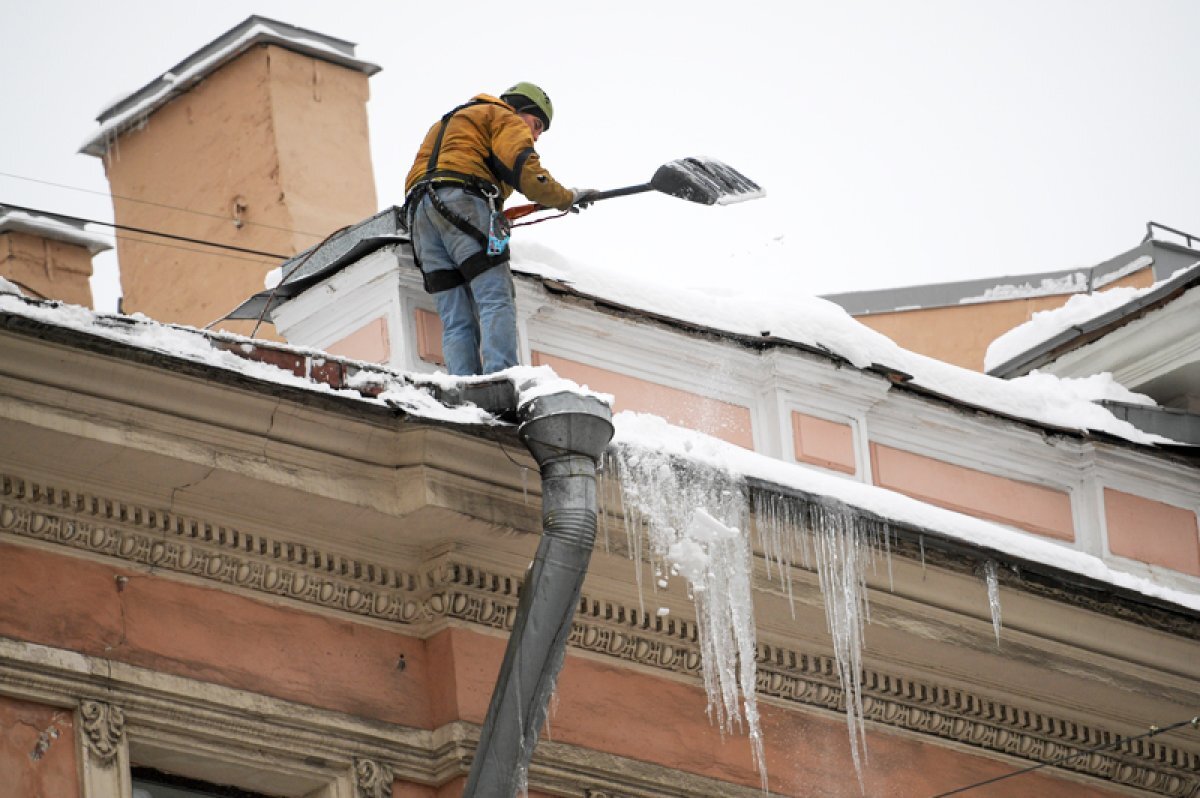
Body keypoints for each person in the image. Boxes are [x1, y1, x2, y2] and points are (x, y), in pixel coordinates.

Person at [404, 82, 596, 376]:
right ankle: (502, 380)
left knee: (456, 318)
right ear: (519, 109)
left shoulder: (452, 122)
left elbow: (454, 176)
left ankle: (464, 389)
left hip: (420, 216)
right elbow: (527, 174)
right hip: (463, 201)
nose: (535, 136)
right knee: (495, 296)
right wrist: (565, 197)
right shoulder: (503, 116)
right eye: (536, 125)